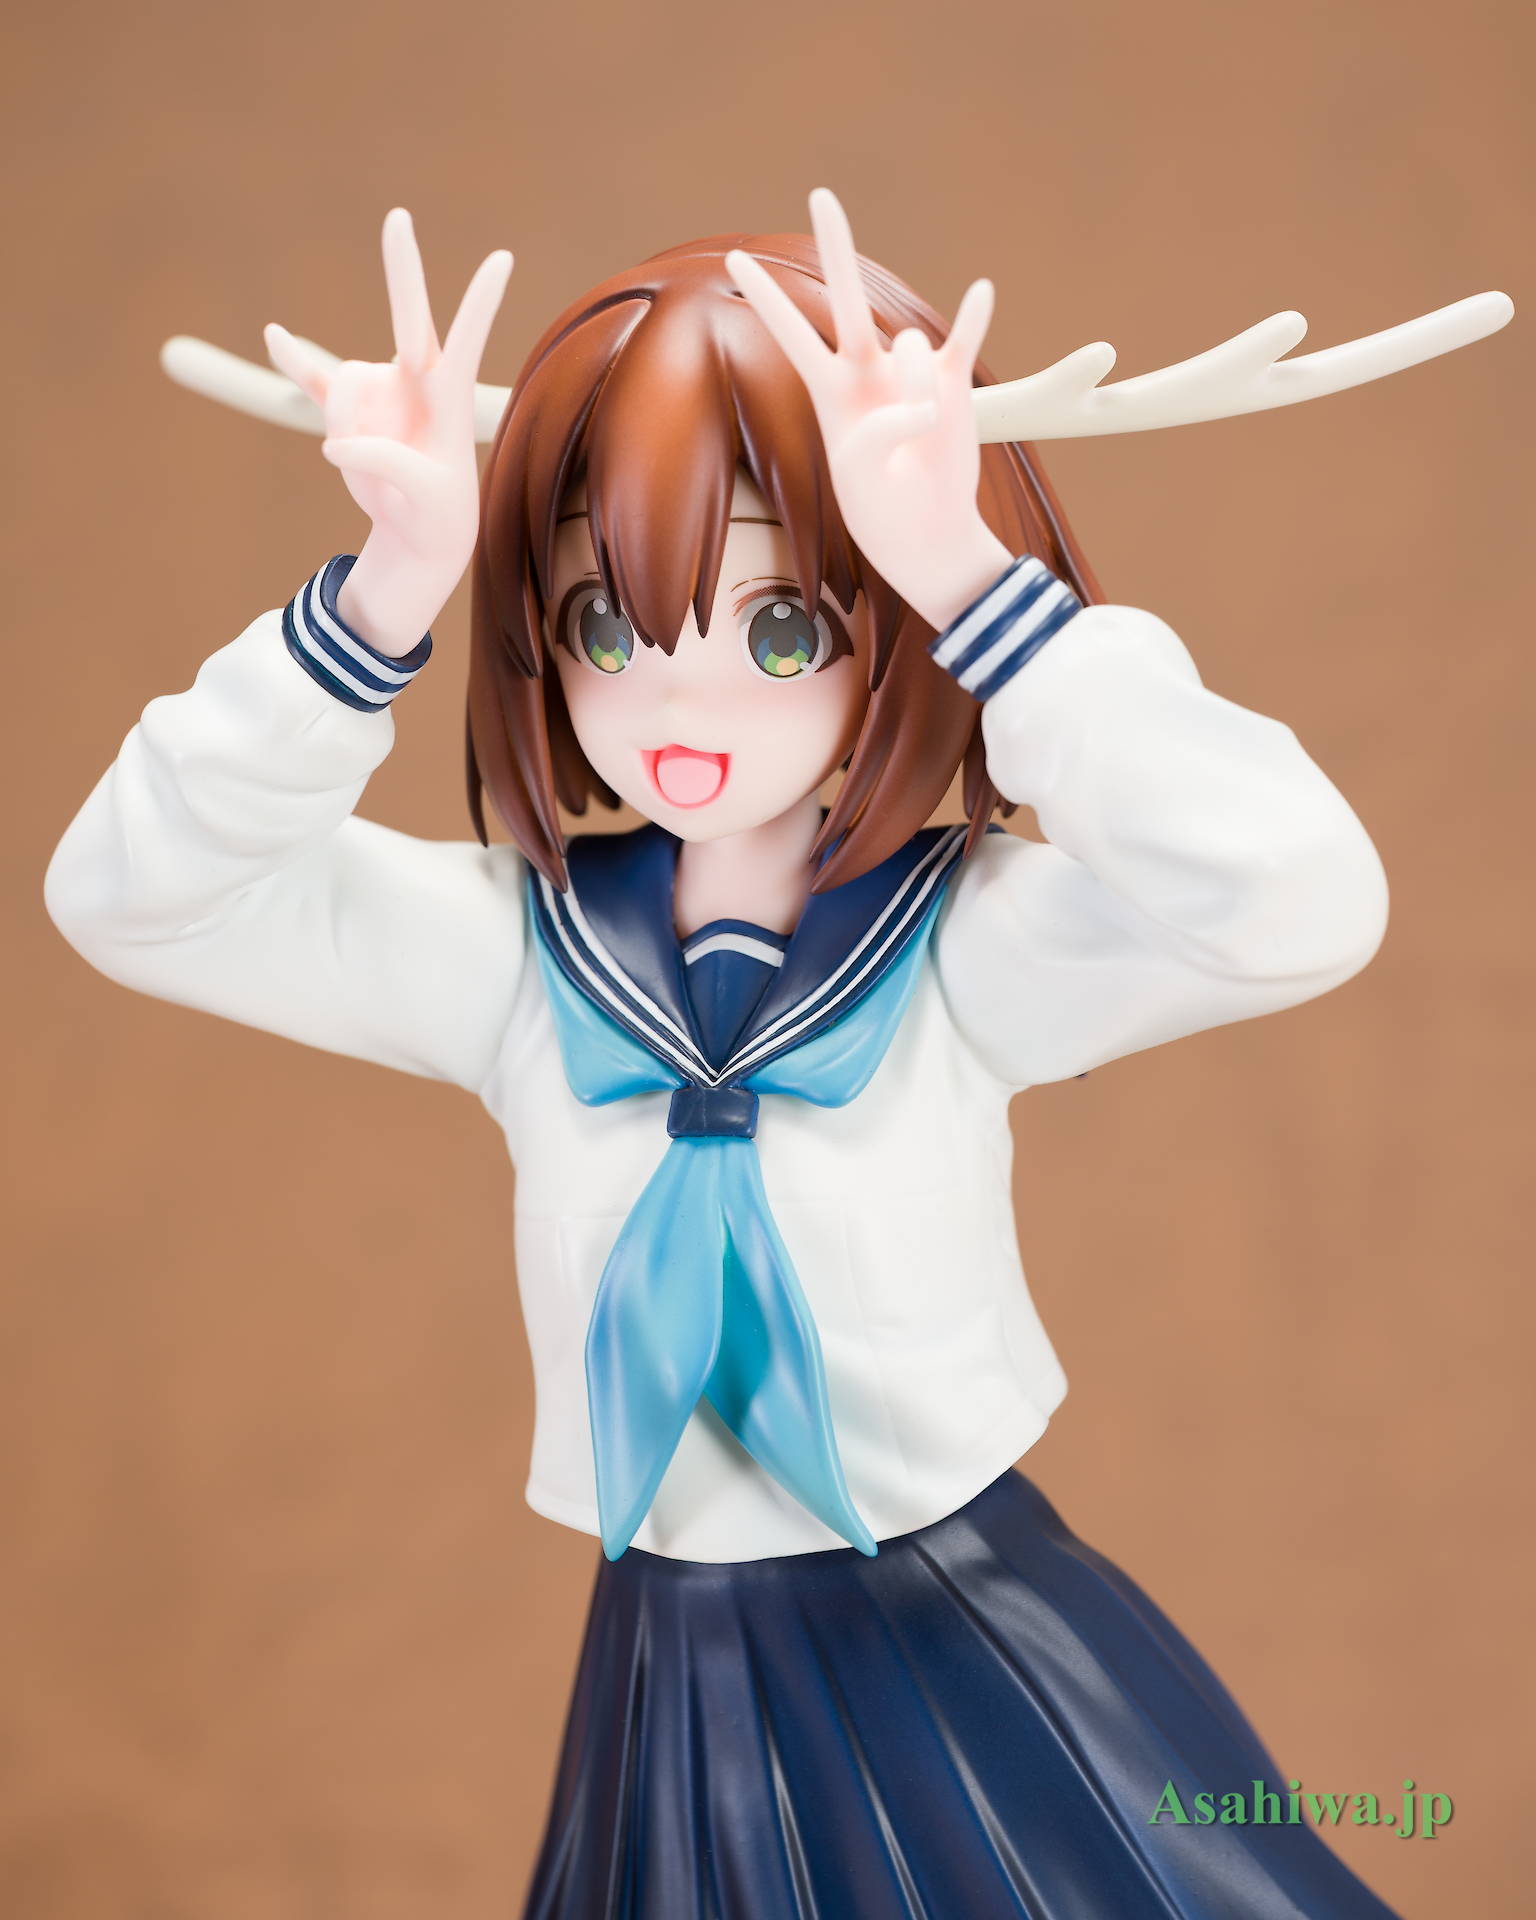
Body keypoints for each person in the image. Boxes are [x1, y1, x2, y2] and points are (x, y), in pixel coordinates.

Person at [45, 192, 1404, 1917]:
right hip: (670, 1658)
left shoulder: (962, 946)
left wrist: (977, 590)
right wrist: (371, 609)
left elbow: (1296, 901)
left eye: (779, 633)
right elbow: (134, 899)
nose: (680, 710)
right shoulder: (522, 958)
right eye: (608, 630)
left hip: (960, 1619)